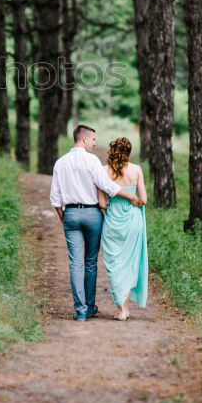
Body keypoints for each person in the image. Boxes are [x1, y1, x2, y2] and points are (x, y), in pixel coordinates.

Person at [50, 125, 134, 321]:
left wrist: (64, 217)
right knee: (90, 262)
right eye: (94, 139)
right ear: (85, 138)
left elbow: (55, 198)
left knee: (75, 263)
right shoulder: (91, 160)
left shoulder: (61, 162)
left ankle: (80, 310)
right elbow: (106, 186)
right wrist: (128, 195)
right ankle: (89, 307)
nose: (95, 143)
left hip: (70, 213)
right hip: (93, 214)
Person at [98, 137, 148, 321]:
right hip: (132, 219)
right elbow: (143, 199)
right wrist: (131, 197)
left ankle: (121, 309)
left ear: (113, 150)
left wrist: (112, 205)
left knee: (115, 265)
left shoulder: (103, 171)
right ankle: (124, 308)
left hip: (112, 218)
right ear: (129, 152)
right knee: (129, 264)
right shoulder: (136, 170)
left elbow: (102, 203)